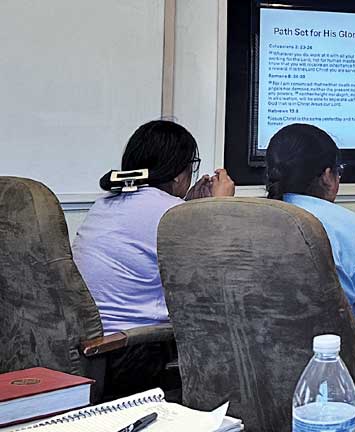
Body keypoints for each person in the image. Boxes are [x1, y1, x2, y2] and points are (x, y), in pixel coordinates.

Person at [72, 120, 235, 397]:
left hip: (91, 352)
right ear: (176, 173)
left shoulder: (105, 204)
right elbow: (222, 274)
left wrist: (188, 209)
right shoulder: (169, 213)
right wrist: (220, 206)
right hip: (134, 357)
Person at [264, 123, 355, 432]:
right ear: (328, 174)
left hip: (246, 401)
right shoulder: (352, 231)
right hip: (335, 409)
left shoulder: (244, 223)